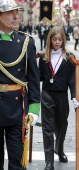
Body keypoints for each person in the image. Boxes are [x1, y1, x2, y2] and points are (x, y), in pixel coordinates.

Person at [0, 0, 40, 169]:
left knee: (17, 160)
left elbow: (33, 79)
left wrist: (33, 109)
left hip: (17, 109)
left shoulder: (26, 42)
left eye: (17, 12)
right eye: (10, 12)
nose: (16, 16)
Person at [39, 26, 75, 170]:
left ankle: (59, 150)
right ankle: (49, 161)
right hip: (47, 94)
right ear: (50, 40)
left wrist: (74, 96)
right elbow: (39, 76)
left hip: (61, 94)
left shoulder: (69, 57)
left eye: (60, 39)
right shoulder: (43, 57)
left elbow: (72, 79)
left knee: (62, 125)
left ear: (63, 40)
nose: (57, 42)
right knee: (47, 127)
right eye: (54, 39)